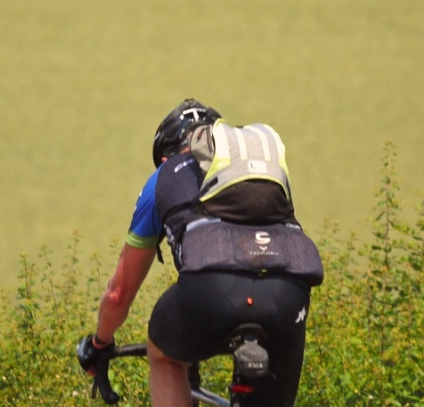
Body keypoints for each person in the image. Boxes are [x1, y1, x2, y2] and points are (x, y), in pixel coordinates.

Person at [76, 99, 317, 407]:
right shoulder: (258, 173)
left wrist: (99, 343)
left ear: (166, 155)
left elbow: (118, 294)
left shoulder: (164, 176)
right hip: (289, 293)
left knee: (164, 356)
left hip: (212, 290)